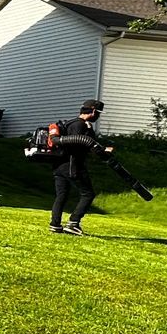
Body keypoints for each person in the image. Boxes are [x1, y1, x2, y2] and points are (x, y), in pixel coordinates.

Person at [50, 99, 113, 235]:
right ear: (93, 111)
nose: (98, 117)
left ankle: (55, 224)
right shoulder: (80, 125)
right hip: (73, 165)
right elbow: (79, 144)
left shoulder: (70, 123)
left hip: (59, 165)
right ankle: (73, 223)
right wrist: (102, 151)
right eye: (99, 113)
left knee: (62, 195)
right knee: (88, 194)